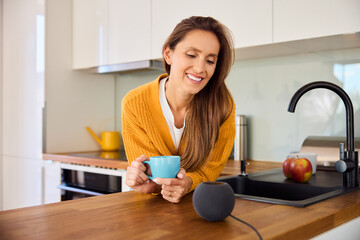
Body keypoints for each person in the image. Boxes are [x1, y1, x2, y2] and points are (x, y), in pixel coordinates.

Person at [122, 16, 236, 203]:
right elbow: (151, 178)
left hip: (197, 208)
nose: (200, 68)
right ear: (168, 54)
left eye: (210, 60)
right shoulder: (135, 103)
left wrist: (189, 183)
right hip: (151, 213)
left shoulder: (223, 105)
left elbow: (211, 168)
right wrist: (147, 183)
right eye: (191, 55)